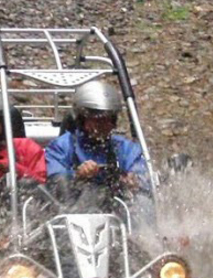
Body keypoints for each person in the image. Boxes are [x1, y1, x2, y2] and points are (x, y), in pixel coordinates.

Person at [45, 81, 153, 230]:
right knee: (94, 193)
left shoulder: (125, 149)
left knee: (143, 201)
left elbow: (145, 177)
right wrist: (77, 175)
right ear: (82, 119)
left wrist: (134, 181)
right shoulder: (62, 146)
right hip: (76, 212)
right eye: (97, 120)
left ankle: (147, 241)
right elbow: (55, 184)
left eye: (108, 120)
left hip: (117, 211)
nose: (103, 125)